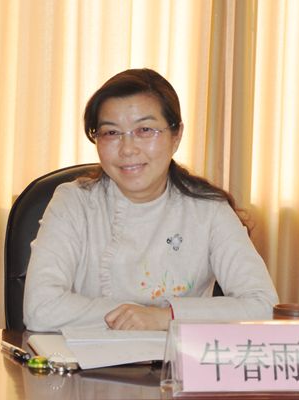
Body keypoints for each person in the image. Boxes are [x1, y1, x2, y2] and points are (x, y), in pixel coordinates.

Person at [23, 68, 278, 332]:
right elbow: (40, 309)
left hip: (177, 357)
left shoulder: (208, 210)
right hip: (83, 357)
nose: (128, 149)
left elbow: (263, 305)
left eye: (145, 130)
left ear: (176, 136)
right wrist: (134, 315)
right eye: (111, 133)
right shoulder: (73, 203)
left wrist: (164, 317)